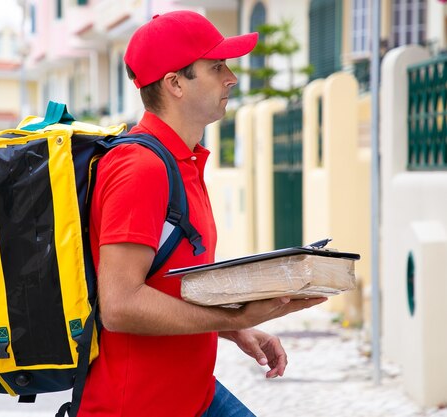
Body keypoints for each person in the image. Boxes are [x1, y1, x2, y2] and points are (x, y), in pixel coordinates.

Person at [77, 10, 326, 417]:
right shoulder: (141, 169)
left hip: (192, 394)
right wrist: (232, 313)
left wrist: (234, 327)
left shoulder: (183, 161)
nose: (231, 77)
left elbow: (164, 284)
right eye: (216, 67)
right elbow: (120, 305)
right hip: (138, 405)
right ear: (175, 83)